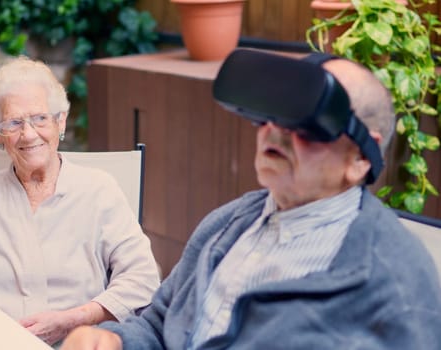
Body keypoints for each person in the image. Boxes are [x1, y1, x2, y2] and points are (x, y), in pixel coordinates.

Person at [60, 50, 441, 349]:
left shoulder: (395, 283)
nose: (274, 133)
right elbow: (159, 325)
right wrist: (114, 339)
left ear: (360, 158)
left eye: (304, 124)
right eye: (270, 115)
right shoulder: (228, 223)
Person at [0, 56, 160, 346]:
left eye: (40, 118)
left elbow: (142, 277)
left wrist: (75, 319)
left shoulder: (100, 192)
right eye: (13, 123)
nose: (28, 134)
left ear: (61, 122)